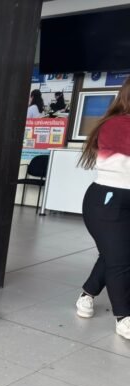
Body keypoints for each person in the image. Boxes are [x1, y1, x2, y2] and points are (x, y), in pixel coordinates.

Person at [75, 76, 130, 340]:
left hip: (120, 201)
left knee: (113, 254)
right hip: (108, 201)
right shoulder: (116, 125)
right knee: (120, 260)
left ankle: (87, 294)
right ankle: (124, 317)